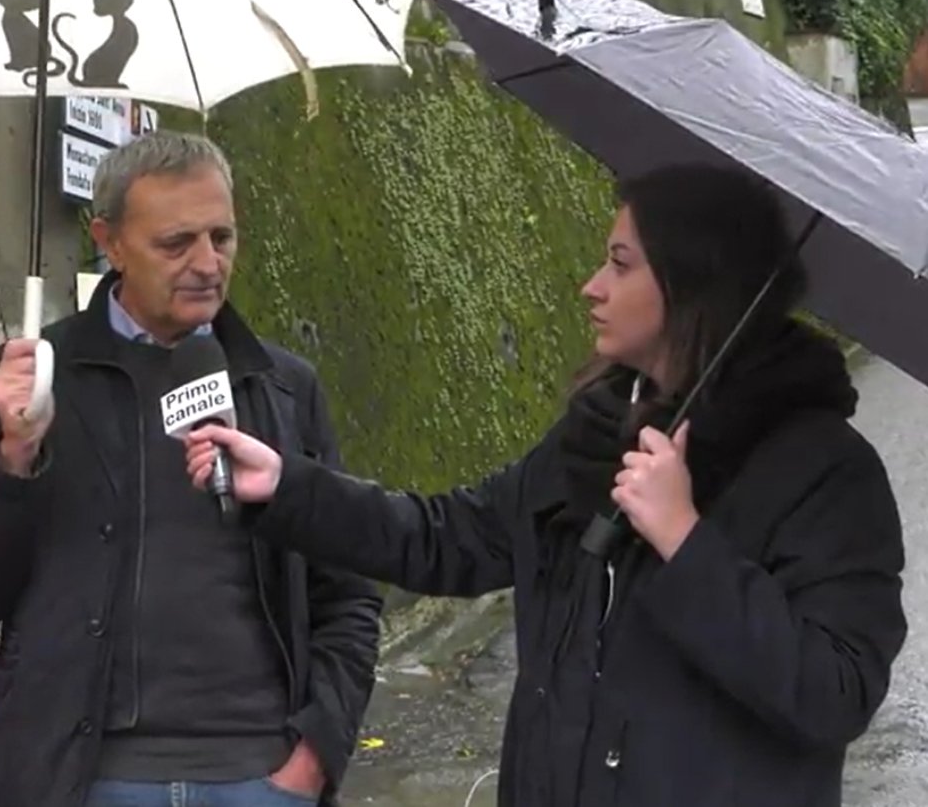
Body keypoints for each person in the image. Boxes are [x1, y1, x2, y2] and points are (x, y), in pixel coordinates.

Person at [183, 164, 908, 807]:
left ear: (692, 287)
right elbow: (450, 539)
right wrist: (287, 486)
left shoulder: (826, 475)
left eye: (620, 265)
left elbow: (833, 695)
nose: (591, 286)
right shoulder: (595, 436)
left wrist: (683, 539)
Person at [0, 130, 383, 807]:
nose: (207, 264)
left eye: (221, 238)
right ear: (108, 240)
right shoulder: (35, 383)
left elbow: (347, 593)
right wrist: (14, 459)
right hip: (81, 778)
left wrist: (315, 752)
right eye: (176, 244)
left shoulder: (283, 387)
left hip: (259, 777)